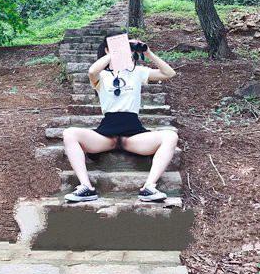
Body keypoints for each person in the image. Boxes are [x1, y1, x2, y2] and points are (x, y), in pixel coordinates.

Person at [63, 37, 178, 202]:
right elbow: (92, 71)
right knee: (69, 133)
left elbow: (169, 73)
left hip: (133, 135)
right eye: (120, 47)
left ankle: (149, 187)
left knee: (170, 136)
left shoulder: (137, 72)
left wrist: (148, 53)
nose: (125, 51)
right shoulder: (101, 75)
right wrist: (116, 52)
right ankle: (86, 187)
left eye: (127, 48)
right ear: (106, 50)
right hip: (106, 135)